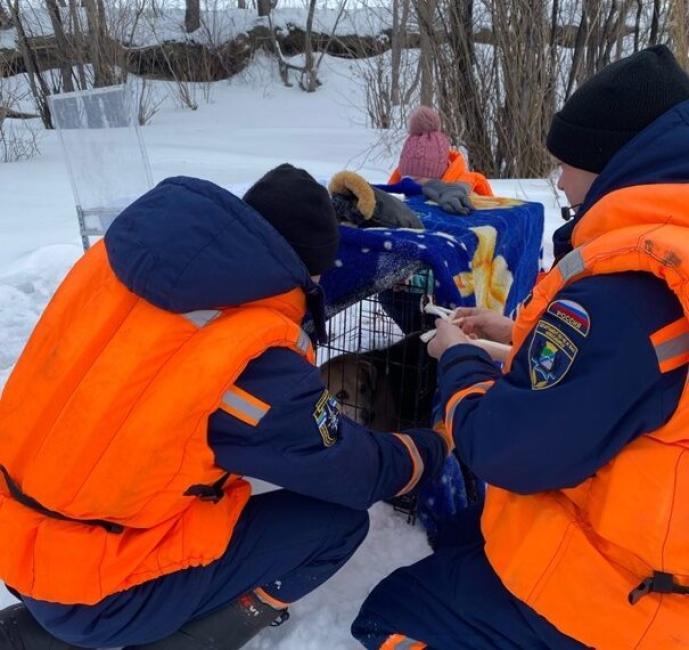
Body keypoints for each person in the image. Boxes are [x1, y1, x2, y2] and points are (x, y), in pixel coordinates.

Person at [0, 165, 447, 649]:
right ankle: (158, 635)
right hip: (93, 586)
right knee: (337, 524)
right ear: (306, 268)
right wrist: (432, 445)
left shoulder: (115, 268)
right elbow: (353, 471)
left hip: (15, 535)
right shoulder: (245, 356)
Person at [352, 44, 689, 649]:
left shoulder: (628, 292)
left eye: (567, 163)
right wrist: (522, 338)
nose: (559, 180)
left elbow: (504, 450)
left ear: (614, 162)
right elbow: (629, 379)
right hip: (662, 545)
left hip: (629, 595)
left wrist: (455, 357)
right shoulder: (673, 253)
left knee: (386, 613)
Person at [387, 106, 493, 197]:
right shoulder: (406, 186)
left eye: (418, 180)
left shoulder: (462, 188)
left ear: (441, 176)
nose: (410, 184)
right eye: (407, 178)